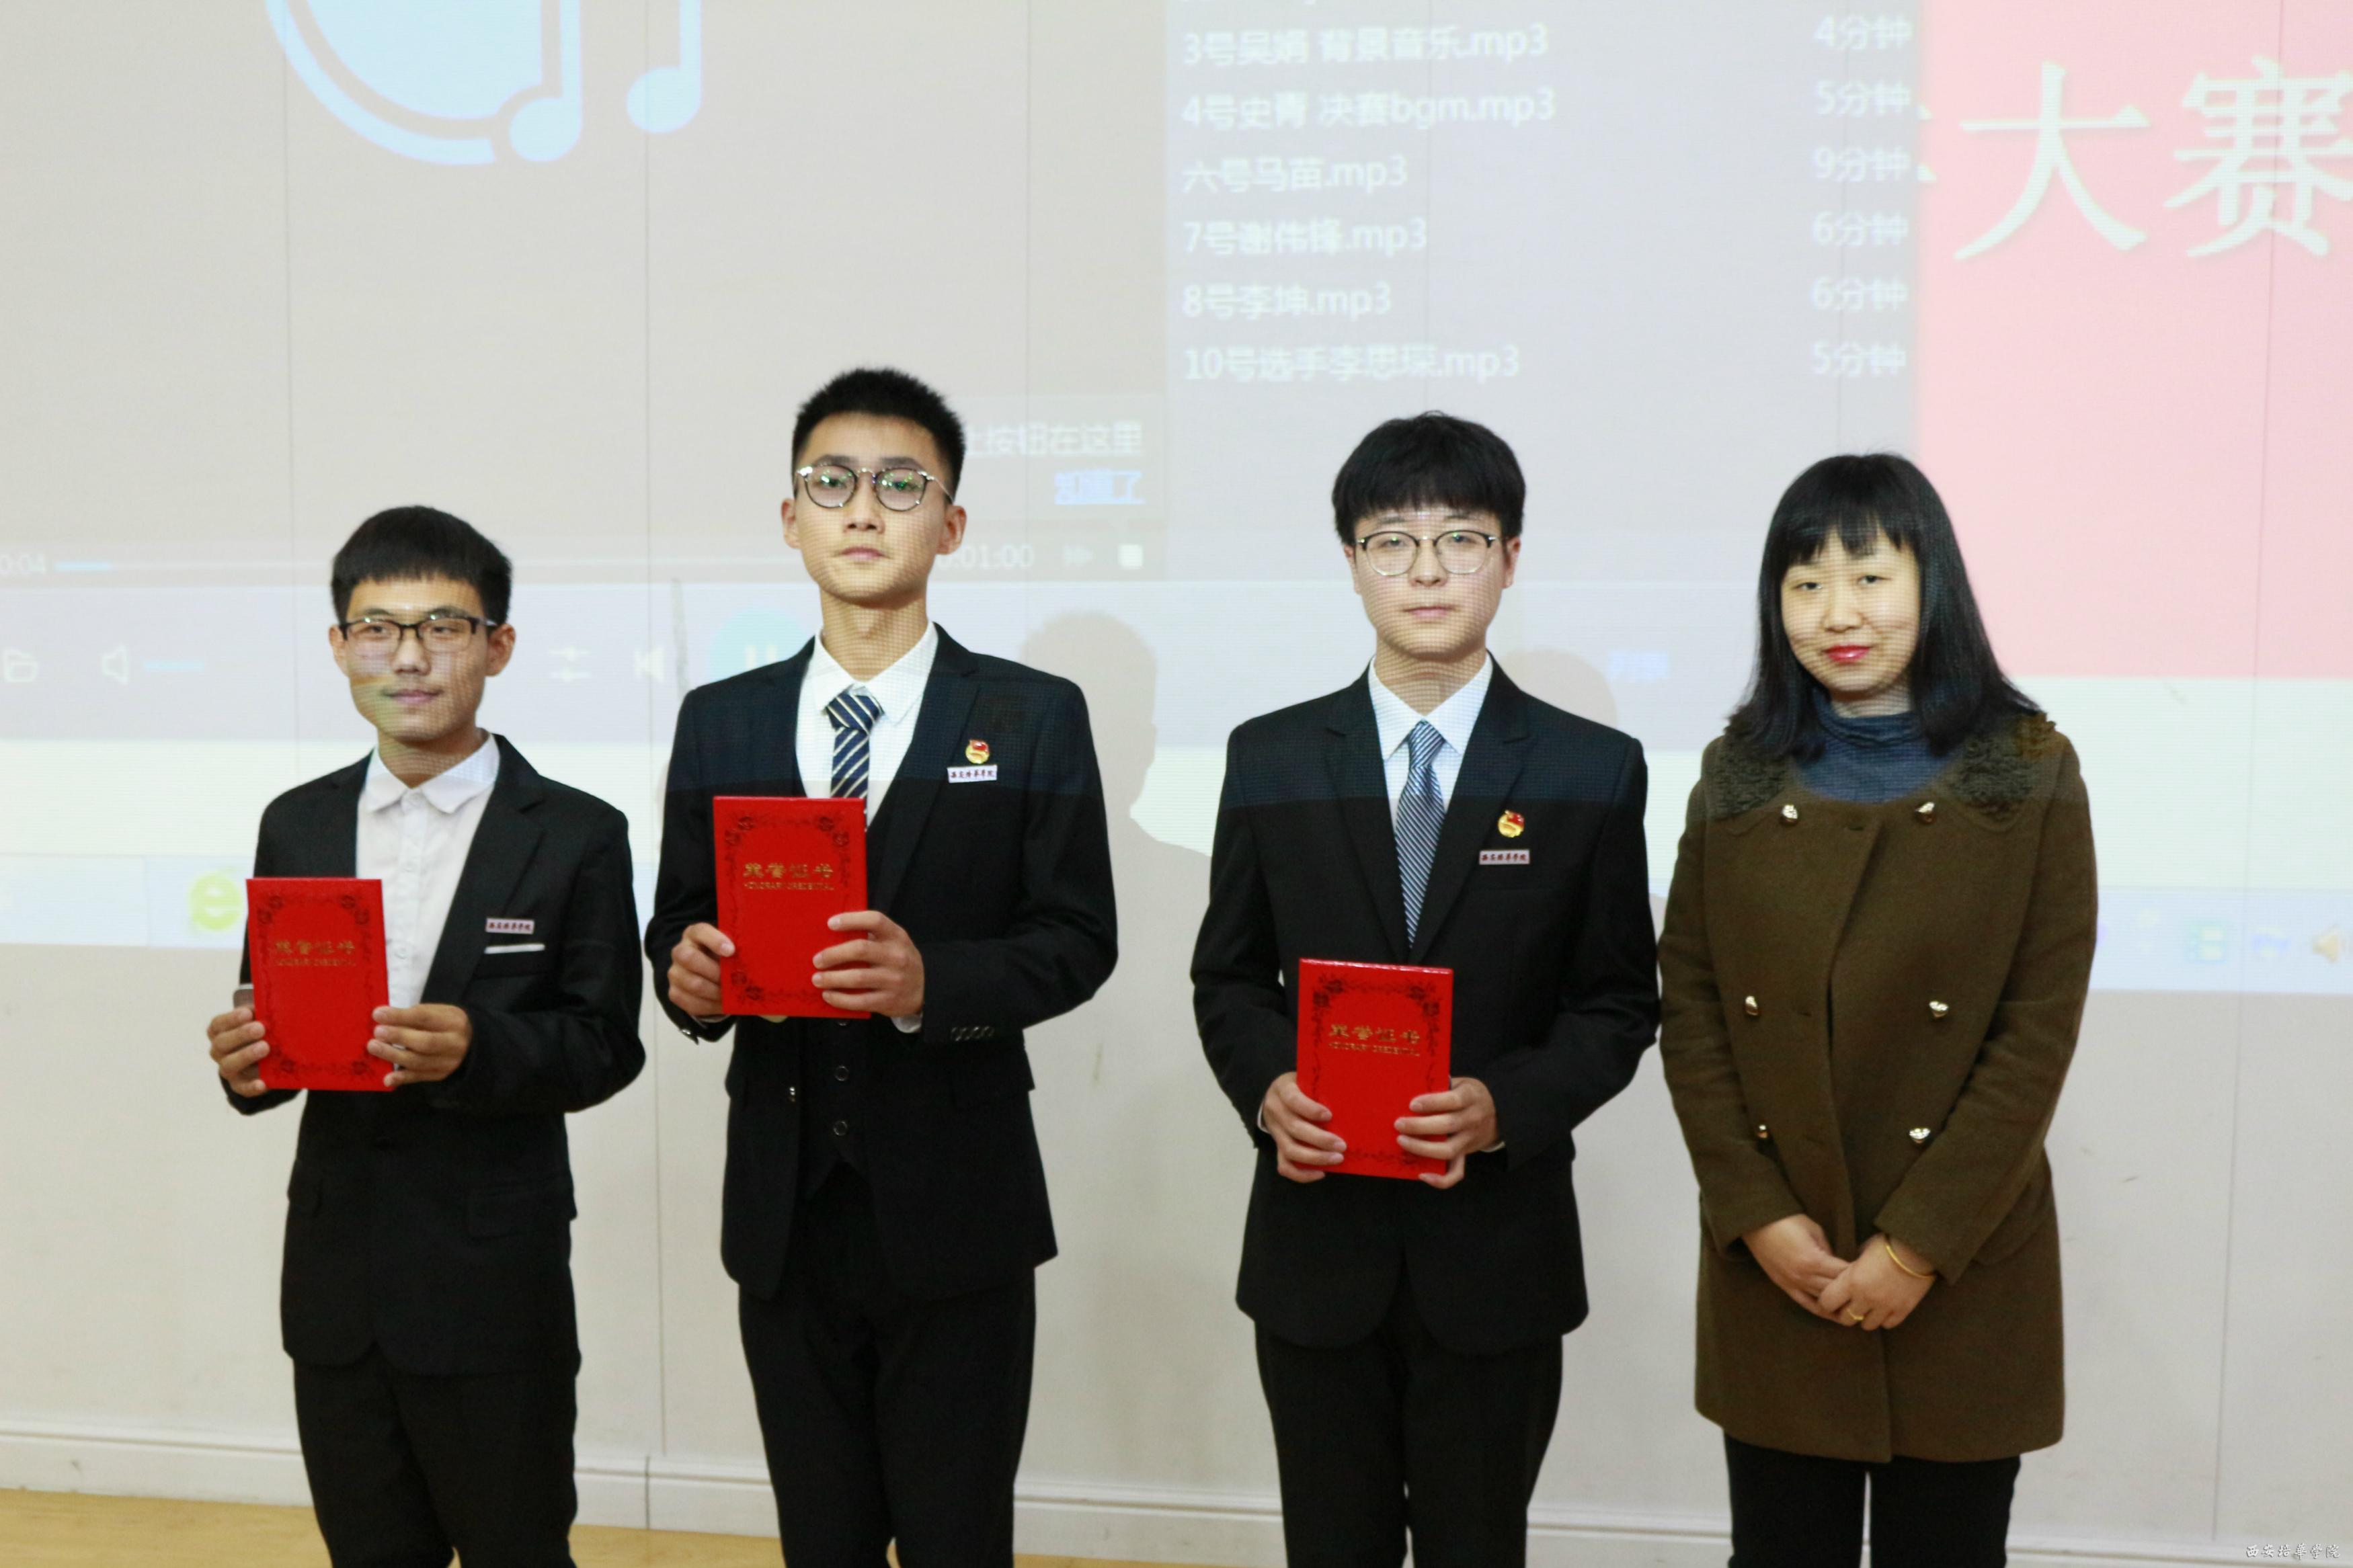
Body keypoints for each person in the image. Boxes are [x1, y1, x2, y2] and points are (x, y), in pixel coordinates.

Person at [645, 366, 1117, 1567]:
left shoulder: (1032, 714)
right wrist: (687, 980)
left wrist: (930, 986)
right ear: (790, 516)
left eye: (901, 485)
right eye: (832, 482)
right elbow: (679, 922)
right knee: (823, 1538)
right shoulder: (722, 719)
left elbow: (1078, 938)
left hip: (960, 1201)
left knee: (959, 1538)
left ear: (950, 524)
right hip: (784, 1204)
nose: (864, 508)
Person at [1191, 412, 1660, 1567]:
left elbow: (1616, 1003)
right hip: (1316, 1251)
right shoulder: (1271, 757)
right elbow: (1229, 974)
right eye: (1393, 541)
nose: (1429, 570)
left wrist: (1504, 1107)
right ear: (1352, 562)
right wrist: (1268, 1087)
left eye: (1462, 538)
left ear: (1511, 557)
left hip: (1496, 1255)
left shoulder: (1590, 769)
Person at [1656, 454, 2096, 1567]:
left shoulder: (2029, 768)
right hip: (1783, 1260)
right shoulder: (1737, 773)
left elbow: (2034, 1033)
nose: (1837, 613)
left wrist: (1916, 1247)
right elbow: (1693, 1005)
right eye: (1804, 583)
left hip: (1962, 1262)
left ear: (1931, 583)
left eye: (1869, 576)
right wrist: (1757, 1214)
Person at [204, 506, 646, 1568]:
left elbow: (605, 1041)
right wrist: (248, 1067)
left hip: (492, 1279)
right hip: (338, 1280)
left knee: (516, 1548)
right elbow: (275, 1018)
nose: (409, 657)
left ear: (498, 645)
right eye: (378, 629)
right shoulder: (297, 822)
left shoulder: (577, 831)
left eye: (443, 626)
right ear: (339, 646)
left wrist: (479, 1049)